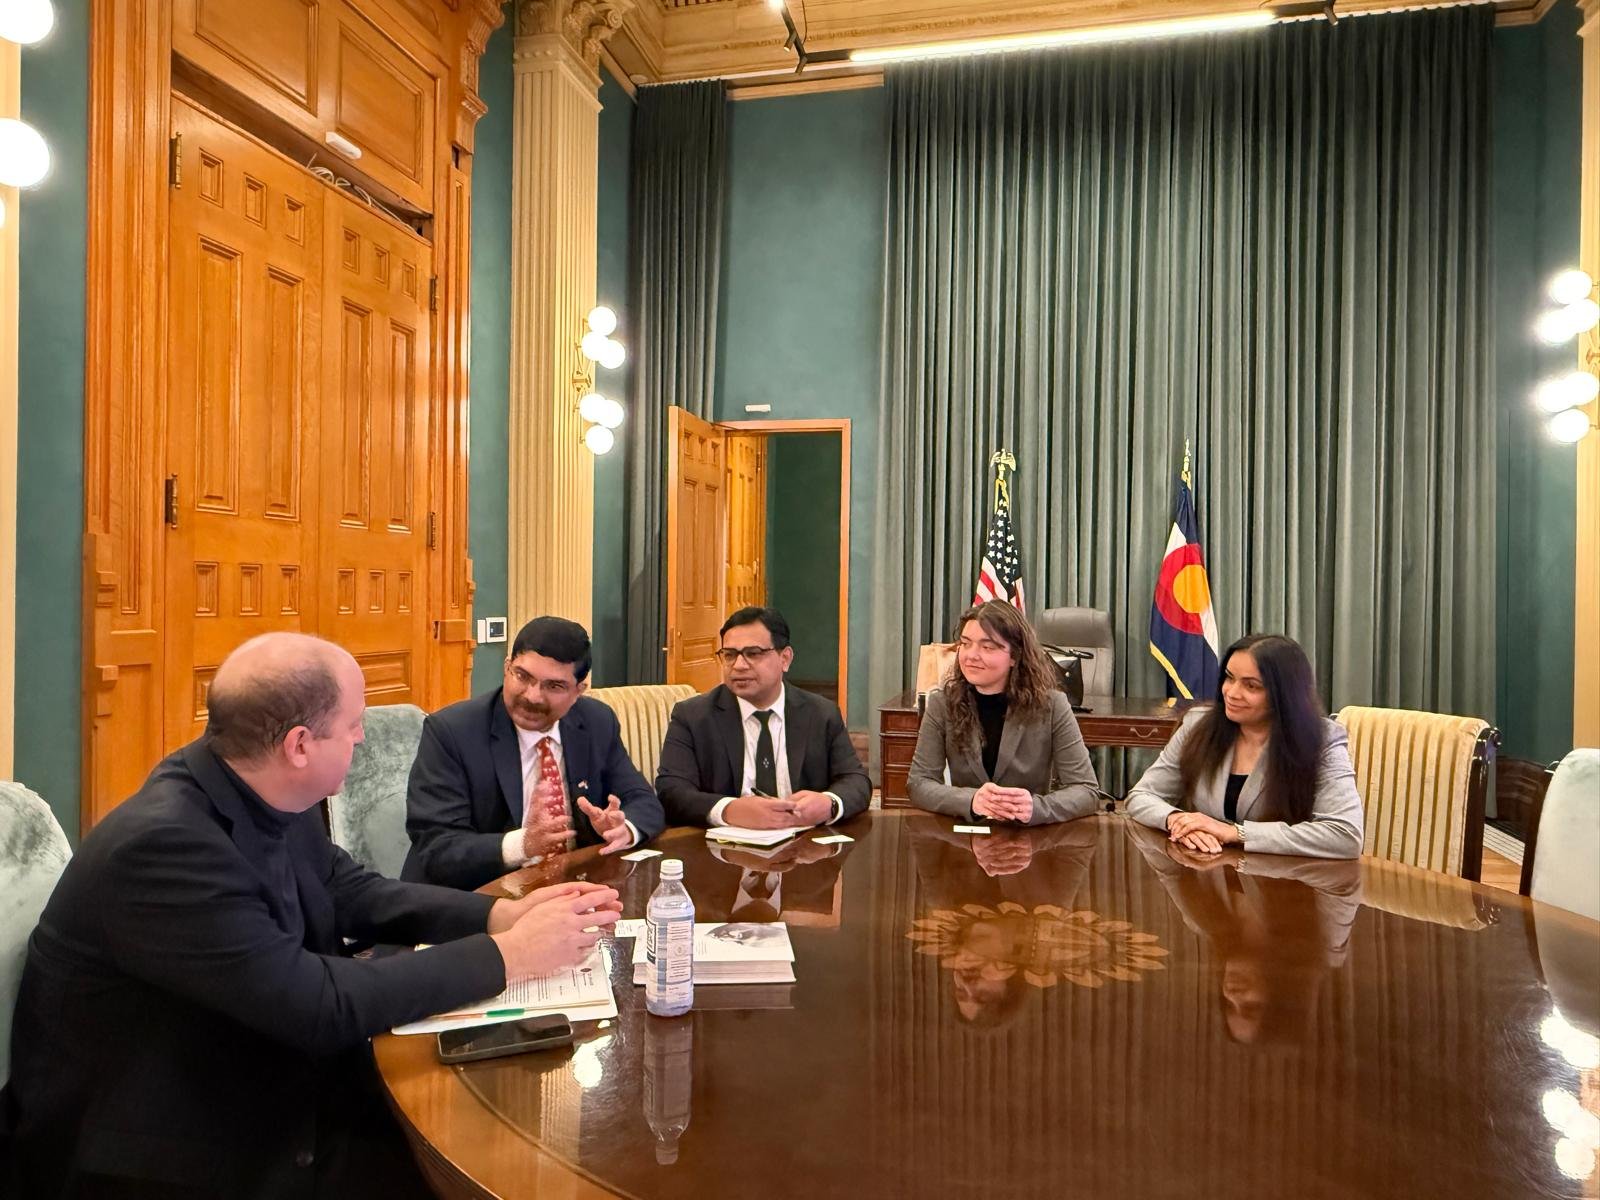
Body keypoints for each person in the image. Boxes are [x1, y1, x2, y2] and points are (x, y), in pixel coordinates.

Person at [1, 632, 620, 1200]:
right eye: (353, 726)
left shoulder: (251, 778)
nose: (360, 738)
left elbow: (345, 887)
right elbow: (315, 1006)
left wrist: (496, 919)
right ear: (299, 745)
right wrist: (510, 958)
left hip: (248, 1064)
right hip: (161, 1142)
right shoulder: (164, 847)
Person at [404, 615, 666, 890]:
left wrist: (621, 829)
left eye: (553, 686)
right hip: (478, 898)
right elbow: (438, 848)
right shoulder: (453, 731)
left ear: (578, 691)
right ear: (507, 668)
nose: (532, 696)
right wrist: (524, 843)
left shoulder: (596, 722)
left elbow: (643, 801)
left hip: (571, 889)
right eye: (523, 676)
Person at [1125, 633, 1364, 859]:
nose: (1232, 693)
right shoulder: (1198, 725)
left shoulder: (1322, 740)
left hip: (1287, 884)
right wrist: (1179, 821)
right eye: (1229, 677)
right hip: (1206, 876)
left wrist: (1235, 833)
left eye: (1251, 686)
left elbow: (1345, 835)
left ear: (1284, 694)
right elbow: (1141, 796)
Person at [654, 606, 870, 829]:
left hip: (804, 847)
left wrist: (829, 803)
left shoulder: (820, 713)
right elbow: (672, 791)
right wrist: (729, 809)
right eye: (729, 655)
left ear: (785, 658)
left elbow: (856, 781)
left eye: (753, 653)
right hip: (724, 850)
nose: (738, 665)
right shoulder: (693, 716)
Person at [907, 600, 1100, 825]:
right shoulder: (942, 702)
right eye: (966, 643)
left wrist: (1036, 807)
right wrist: (970, 800)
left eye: (987, 647)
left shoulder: (1053, 705)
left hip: (1029, 838)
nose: (971, 655)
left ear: (1015, 656)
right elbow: (919, 784)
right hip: (965, 837)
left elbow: (1086, 791)